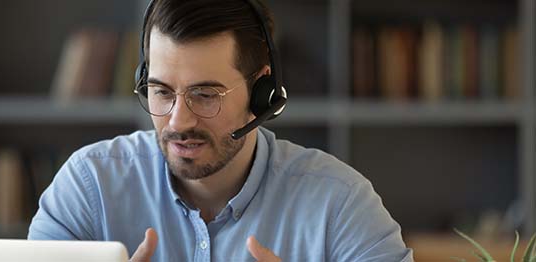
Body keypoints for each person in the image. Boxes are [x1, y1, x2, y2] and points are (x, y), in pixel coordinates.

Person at [28, 0, 414, 261]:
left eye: (205, 94)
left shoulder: (341, 205)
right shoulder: (88, 186)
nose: (178, 122)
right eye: (161, 92)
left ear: (262, 92)